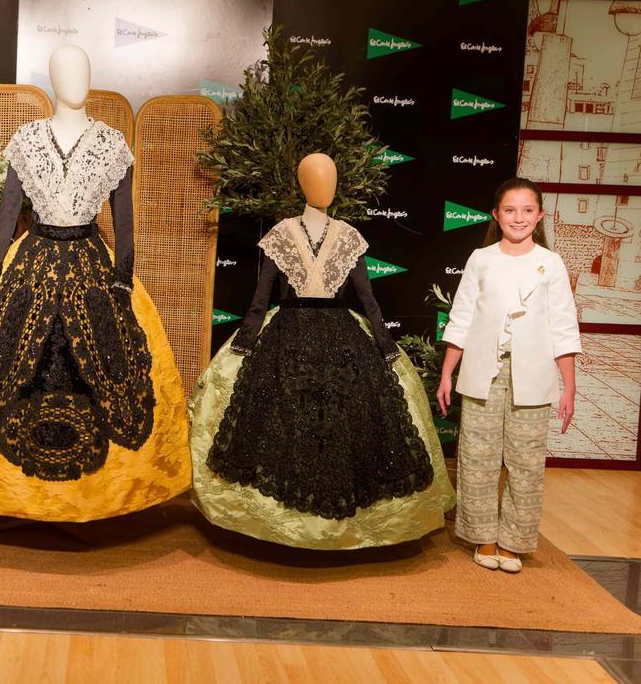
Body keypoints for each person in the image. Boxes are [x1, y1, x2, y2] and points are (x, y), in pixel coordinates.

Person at [0, 45, 191, 521]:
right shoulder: (27, 139)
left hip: (92, 262)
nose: (76, 80)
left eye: (83, 70)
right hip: (34, 258)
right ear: (51, 78)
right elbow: (8, 214)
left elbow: (124, 223)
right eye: (66, 71)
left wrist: (123, 278)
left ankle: (97, 497)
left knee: (110, 363)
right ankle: (10, 495)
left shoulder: (110, 142)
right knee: (3, 362)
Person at [189, 152, 454, 550]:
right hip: (288, 334)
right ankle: (278, 523)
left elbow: (366, 296)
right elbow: (261, 295)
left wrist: (383, 343)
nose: (324, 185)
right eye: (317, 178)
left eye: (330, 177)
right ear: (303, 184)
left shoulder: (348, 235)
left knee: (352, 419)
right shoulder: (282, 232)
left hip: (338, 334)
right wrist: (246, 339)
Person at [438, 177, 582, 574]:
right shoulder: (481, 259)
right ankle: (483, 536)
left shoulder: (550, 264)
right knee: (477, 457)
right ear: (496, 215)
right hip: (484, 372)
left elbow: (564, 327)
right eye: (509, 210)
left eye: (527, 210)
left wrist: (569, 386)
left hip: (533, 378)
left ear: (539, 216)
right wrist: (447, 373)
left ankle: (514, 542)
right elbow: (462, 318)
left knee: (526, 463)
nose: (518, 218)